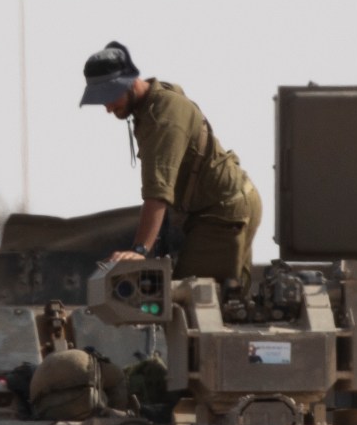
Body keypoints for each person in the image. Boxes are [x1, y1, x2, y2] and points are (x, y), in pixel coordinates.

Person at [79, 41, 262, 287]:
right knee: (225, 296)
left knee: (184, 295)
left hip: (222, 210)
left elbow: (158, 191)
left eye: (110, 96)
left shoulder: (162, 117)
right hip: (217, 206)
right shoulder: (150, 107)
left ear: (131, 82)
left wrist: (140, 250)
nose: (108, 108)